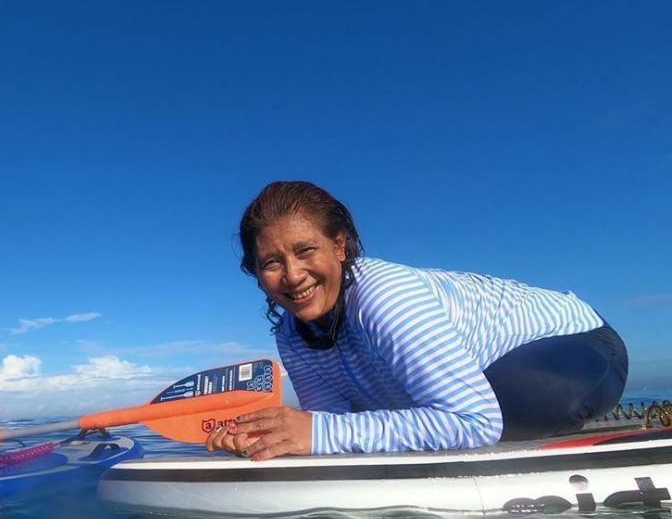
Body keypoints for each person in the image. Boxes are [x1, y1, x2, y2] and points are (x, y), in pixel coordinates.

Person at [207, 181, 628, 461]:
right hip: (482, 385)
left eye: (305, 251)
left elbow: (475, 421)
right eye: (272, 263)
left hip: (581, 343)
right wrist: (263, 441)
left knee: (504, 411)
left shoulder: (385, 297)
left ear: (340, 246)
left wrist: (316, 433)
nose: (293, 275)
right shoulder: (291, 334)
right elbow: (330, 425)